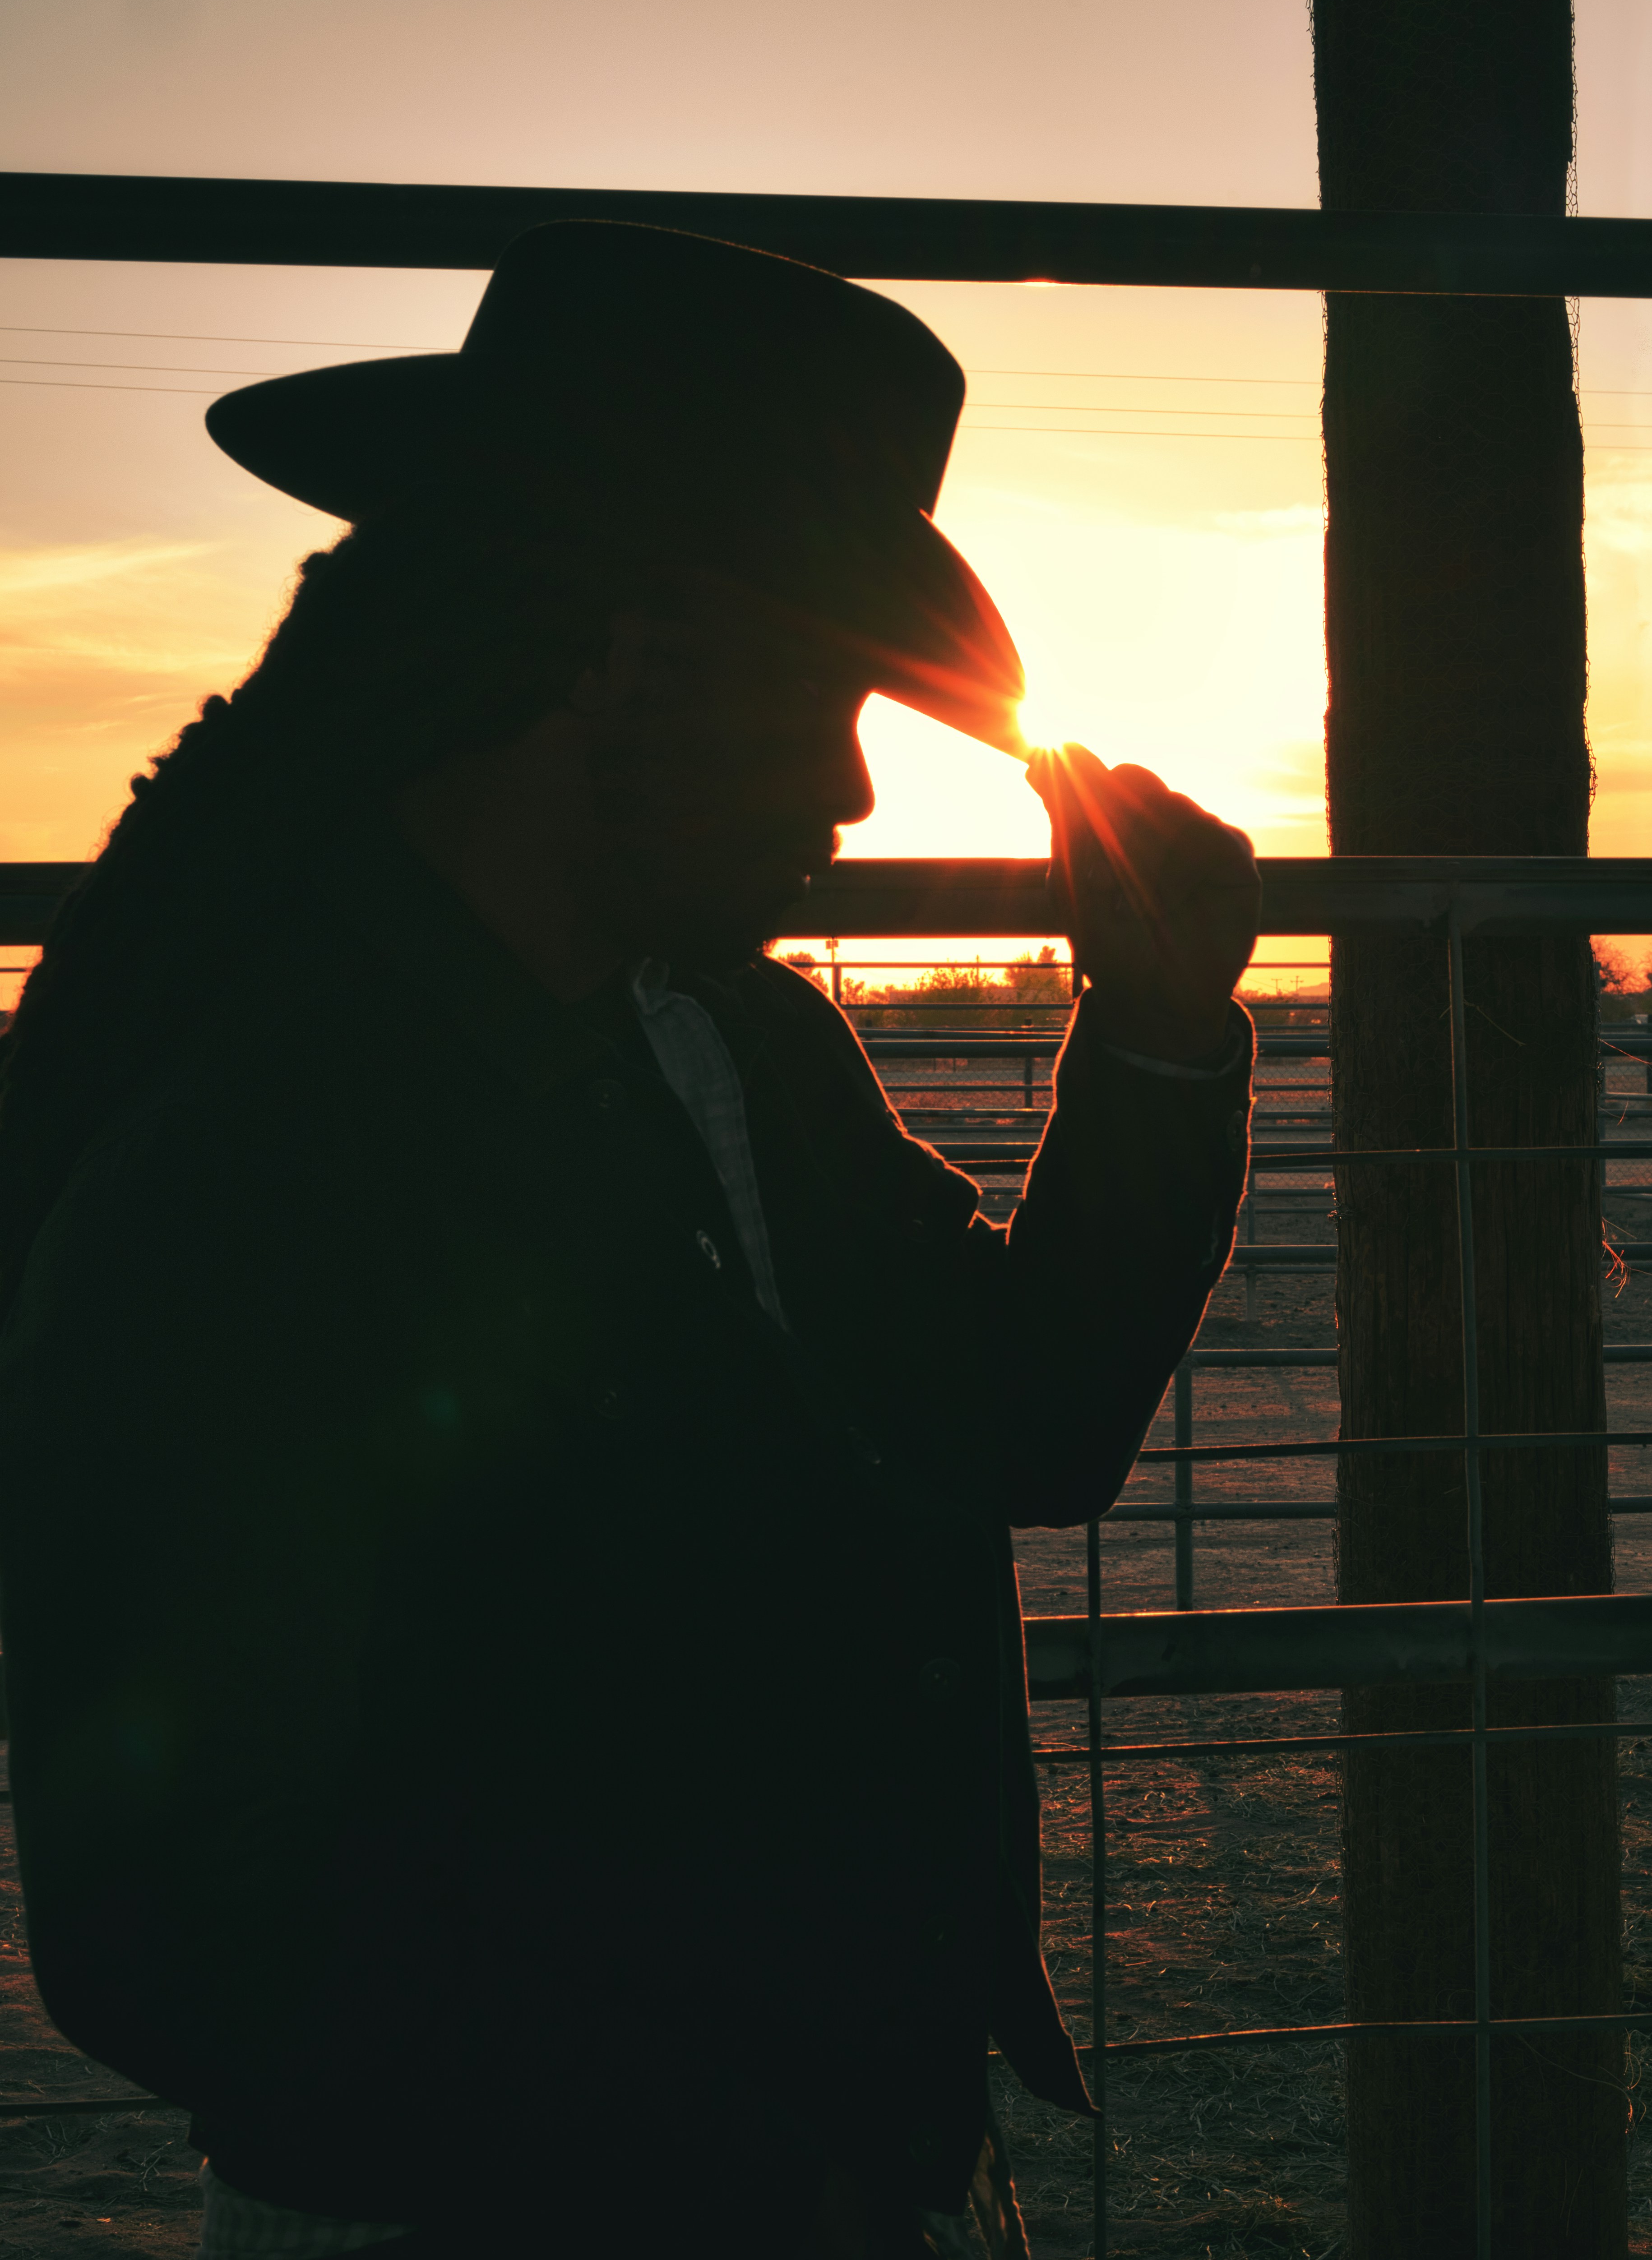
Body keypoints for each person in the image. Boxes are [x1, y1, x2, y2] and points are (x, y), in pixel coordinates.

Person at [0, 222, 1259, 2260]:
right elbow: (178, 1932)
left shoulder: (722, 1039)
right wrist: (772, 2178)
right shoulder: (247, 1163)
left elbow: (1015, 1417)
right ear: (615, 642)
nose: (856, 784)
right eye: (828, 688)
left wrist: (1167, 1027)